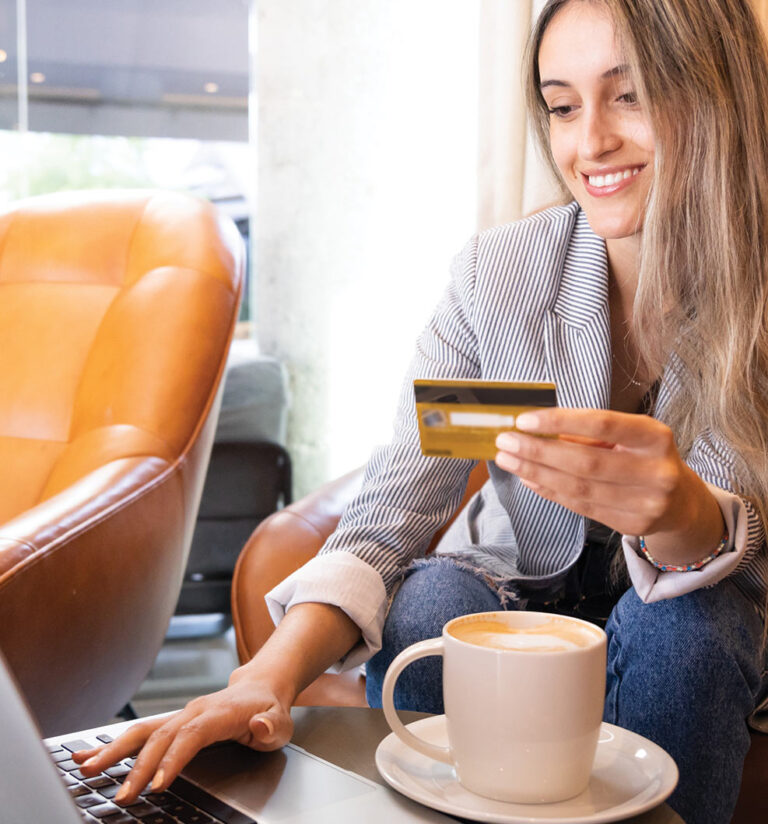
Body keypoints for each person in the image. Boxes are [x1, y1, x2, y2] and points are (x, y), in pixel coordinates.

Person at [73, 2, 768, 823]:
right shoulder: (498, 278)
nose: (590, 145)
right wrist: (266, 675)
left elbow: (731, 564)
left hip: (697, 627)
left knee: (693, 630)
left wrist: (690, 522)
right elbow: (397, 506)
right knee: (431, 601)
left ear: (716, 92)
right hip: (520, 595)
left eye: (632, 95)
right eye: (563, 105)